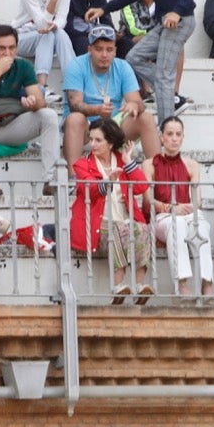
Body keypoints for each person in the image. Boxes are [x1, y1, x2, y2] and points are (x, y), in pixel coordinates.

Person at [97, 0, 200, 116]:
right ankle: (171, 96)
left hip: (179, 21)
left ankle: (165, 127)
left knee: (163, 76)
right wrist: (104, 9)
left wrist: (177, 12)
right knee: (134, 58)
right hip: (163, 23)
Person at [0, 26, 62, 192]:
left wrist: (32, 103)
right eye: (2, 48)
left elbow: (40, 102)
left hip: (13, 126)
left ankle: (50, 180)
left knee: (49, 115)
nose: (7, 53)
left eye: (11, 48)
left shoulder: (23, 65)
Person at [69, 117, 152, 302]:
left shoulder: (122, 162)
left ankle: (139, 286)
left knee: (143, 228)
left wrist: (129, 161)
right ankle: (118, 286)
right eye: (91, 139)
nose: (92, 144)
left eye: (98, 140)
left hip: (124, 222)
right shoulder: (82, 164)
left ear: (111, 142)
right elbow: (88, 189)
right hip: (97, 225)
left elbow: (141, 187)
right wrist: (107, 183)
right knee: (117, 229)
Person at [60, 25, 160, 170]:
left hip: (113, 125)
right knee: (75, 118)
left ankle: (159, 177)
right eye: (99, 49)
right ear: (90, 50)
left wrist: (134, 105)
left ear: (115, 51)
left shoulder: (123, 66)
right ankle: (74, 179)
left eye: (109, 49)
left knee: (146, 118)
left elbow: (138, 101)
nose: (104, 55)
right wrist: (97, 110)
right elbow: (74, 105)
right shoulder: (76, 65)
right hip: (85, 128)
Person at [145, 117, 214, 301]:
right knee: (177, 225)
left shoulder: (192, 164)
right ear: (161, 137)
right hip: (163, 217)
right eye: (169, 134)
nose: (174, 139)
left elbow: (197, 198)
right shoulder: (150, 164)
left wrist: (187, 208)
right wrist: (170, 208)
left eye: (178, 134)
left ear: (183, 137)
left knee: (201, 225)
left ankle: (207, 282)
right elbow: (148, 198)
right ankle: (182, 284)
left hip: (186, 212)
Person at [16, 0, 79, 97]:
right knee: (47, 33)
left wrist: (55, 25)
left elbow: (62, 18)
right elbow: (41, 25)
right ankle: (42, 86)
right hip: (21, 37)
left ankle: (74, 83)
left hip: (48, 37)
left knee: (58, 32)